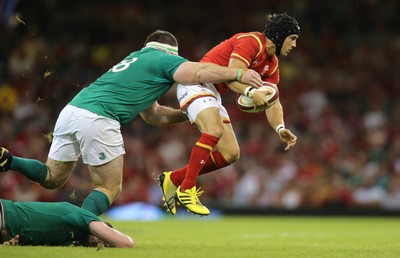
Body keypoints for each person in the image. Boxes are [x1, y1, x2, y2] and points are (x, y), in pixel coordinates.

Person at [0, 30, 264, 216]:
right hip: (99, 117)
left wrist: (190, 114)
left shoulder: (133, 61)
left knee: (52, 177)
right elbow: (199, 71)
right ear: (171, 50)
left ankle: (8, 160)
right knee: (109, 187)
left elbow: (154, 115)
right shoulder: (165, 59)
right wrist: (238, 72)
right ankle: (81, 226)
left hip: (71, 111)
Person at [158, 14, 299, 216]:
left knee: (231, 153)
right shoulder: (251, 41)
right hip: (196, 83)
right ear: (280, 35)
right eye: (292, 38)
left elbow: (273, 100)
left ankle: (173, 179)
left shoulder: (272, 63)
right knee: (214, 130)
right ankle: (187, 189)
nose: (294, 44)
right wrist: (251, 92)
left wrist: (280, 128)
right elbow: (232, 75)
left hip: (212, 92)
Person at [0, 198, 134, 247]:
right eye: (104, 239)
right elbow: (127, 244)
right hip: (5, 213)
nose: (100, 243)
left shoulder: (70, 239)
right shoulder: (83, 216)